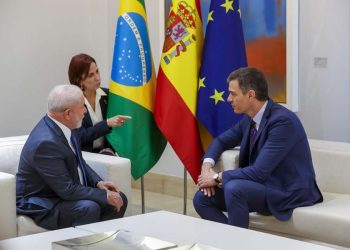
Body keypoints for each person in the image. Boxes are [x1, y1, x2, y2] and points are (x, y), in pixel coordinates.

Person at [193, 67, 323, 228]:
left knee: (234, 188)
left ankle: (234, 243)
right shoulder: (249, 119)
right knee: (201, 199)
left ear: (250, 95)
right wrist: (207, 167)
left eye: (233, 94)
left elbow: (259, 172)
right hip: (261, 186)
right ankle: (232, 243)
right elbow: (220, 141)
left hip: (287, 190)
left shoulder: (282, 122)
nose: (228, 99)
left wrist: (215, 178)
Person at [16, 85, 128, 230]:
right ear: (68, 113)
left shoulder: (68, 126)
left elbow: (79, 161)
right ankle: (81, 244)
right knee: (89, 207)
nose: (85, 111)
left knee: (120, 198)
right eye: (82, 107)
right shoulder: (46, 143)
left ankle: (98, 241)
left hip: (60, 193)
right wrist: (103, 195)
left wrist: (98, 182)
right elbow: (67, 190)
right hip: (43, 201)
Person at [68, 53, 130, 155]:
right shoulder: (72, 102)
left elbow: (117, 129)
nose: (97, 78)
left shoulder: (108, 95)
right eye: (90, 75)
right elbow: (79, 136)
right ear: (79, 80)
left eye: (97, 71)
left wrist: (110, 149)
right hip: (83, 155)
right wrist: (107, 124)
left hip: (106, 152)